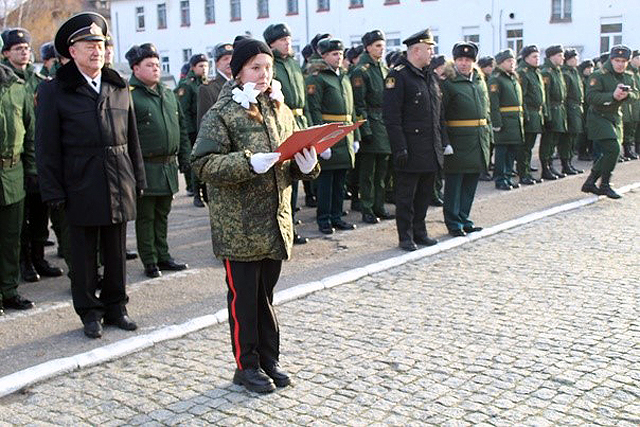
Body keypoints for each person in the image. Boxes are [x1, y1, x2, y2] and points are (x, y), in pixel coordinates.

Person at [191, 37, 320, 393]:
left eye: (268, 67)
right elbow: (201, 164)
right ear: (239, 72)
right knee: (244, 300)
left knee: (266, 295)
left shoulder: (279, 108)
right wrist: (247, 163)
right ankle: (246, 365)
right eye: (255, 68)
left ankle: (269, 359)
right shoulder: (223, 112)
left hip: (274, 221)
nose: (264, 75)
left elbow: (289, 158)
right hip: (240, 226)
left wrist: (305, 167)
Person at [36, 12, 146, 338]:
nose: (96, 51)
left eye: (100, 44)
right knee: (83, 255)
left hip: (118, 178)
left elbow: (132, 139)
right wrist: (53, 190)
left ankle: (116, 307)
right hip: (79, 181)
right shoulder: (56, 91)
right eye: (88, 45)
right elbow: (46, 147)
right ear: (72, 52)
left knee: (116, 251)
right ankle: (89, 312)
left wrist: (138, 178)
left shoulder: (117, 85)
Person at [2, 28, 63, 283]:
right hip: (16, 161)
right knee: (19, 219)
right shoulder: (7, 80)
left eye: (27, 48)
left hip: (38, 157)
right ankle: (24, 262)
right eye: (18, 48)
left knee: (40, 214)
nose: (24, 52)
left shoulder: (38, 81)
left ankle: (39, 258)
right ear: (6, 53)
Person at [126, 43, 190, 279]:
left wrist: (185, 157)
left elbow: (181, 127)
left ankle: (163, 255)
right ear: (135, 69)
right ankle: (150, 260)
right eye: (149, 65)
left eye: (157, 64)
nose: (156, 69)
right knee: (146, 216)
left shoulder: (167, 93)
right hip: (145, 166)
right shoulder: (129, 95)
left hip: (168, 166)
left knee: (163, 214)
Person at [383, 29, 445, 251]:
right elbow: (392, 117)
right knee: (406, 197)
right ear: (416, 50)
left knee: (424, 195)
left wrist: (442, 143)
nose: (432, 53)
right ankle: (405, 236)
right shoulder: (398, 76)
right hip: (409, 148)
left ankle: (420, 232)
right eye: (429, 49)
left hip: (429, 147)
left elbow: (438, 115)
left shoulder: (430, 76)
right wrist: (399, 148)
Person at [264, 23, 311, 244]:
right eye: (283, 40)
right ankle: (283, 228)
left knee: (298, 174)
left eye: (289, 39)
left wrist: (309, 125)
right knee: (283, 179)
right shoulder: (271, 64)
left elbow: (305, 99)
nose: (287, 43)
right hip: (281, 121)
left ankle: (290, 225)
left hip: (298, 121)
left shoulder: (293, 63)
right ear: (272, 44)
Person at [306, 37, 359, 234]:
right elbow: (314, 110)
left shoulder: (344, 77)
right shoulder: (317, 78)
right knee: (326, 181)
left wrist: (356, 135)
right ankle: (324, 219)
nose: (339, 58)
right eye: (334, 54)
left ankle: (337, 216)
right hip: (329, 133)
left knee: (340, 181)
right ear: (324, 56)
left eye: (340, 54)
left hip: (345, 134)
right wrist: (321, 140)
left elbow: (351, 110)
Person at [0, 34, 37, 315]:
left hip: (13, 171)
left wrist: (32, 171)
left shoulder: (17, 87)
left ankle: (9, 290)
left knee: (12, 237)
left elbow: (30, 133)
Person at [441, 41, 490, 237]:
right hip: (458, 140)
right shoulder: (448, 83)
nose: (464, 63)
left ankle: (464, 218)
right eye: (460, 59)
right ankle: (453, 222)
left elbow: (487, 110)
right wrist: (445, 142)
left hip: (478, 139)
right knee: (454, 184)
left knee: (470, 182)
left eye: (468, 60)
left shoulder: (479, 81)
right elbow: (440, 115)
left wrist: (488, 135)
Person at [582, 45, 638, 199]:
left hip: (615, 117)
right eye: (617, 60)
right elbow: (590, 98)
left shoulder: (628, 76)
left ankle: (592, 182)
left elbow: (635, 95)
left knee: (611, 151)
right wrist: (612, 96)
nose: (620, 64)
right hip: (598, 116)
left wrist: (626, 95)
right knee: (613, 149)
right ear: (611, 60)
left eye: (624, 61)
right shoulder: (599, 75)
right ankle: (604, 184)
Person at [351, 30, 394, 224]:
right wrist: (365, 129)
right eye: (377, 45)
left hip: (384, 123)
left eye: (383, 45)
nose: (381, 49)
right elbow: (359, 104)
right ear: (368, 48)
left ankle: (379, 205)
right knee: (368, 172)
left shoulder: (383, 69)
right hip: (371, 122)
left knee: (382, 170)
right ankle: (367, 207)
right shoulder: (362, 71)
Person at [489, 48, 525, 191]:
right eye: (508, 61)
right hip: (504, 121)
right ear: (500, 63)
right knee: (502, 152)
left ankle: (508, 177)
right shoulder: (496, 79)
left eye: (513, 60)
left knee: (511, 152)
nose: (512, 63)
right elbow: (494, 103)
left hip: (514, 121)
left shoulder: (512, 78)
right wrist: (497, 123)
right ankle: (500, 178)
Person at [176, 53, 209, 206]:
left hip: (206, 128)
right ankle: (196, 193)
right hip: (194, 131)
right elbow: (184, 111)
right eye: (201, 66)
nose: (204, 69)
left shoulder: (207, 83)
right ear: (193, 67)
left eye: (206, 65)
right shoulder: (187, 85)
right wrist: (191, 133)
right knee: (195, 161)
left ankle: (206, 191)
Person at [517, 45, 545, 185]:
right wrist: (526, 115)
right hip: (529, 114)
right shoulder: (523, 72)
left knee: (529, 146)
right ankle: (524, 173)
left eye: (538, 56)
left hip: (536, 113)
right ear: (526, 58)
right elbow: (522, 96)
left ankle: (526, 169)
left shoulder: (535, 72)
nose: (537, 59)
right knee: (525, 147)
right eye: (534, 57)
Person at [540, 45, 568, 180]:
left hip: (559, 110)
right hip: (551, 109)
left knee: (554, 140)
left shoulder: (557, 71)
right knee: (548, 141)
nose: (562, 58)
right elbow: (545, 95)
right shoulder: (547, 72)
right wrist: (547, 115)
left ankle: (550, 166)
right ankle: (545, 167)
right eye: (559, 55)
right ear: (552, 56)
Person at [561, 48, 585, 174]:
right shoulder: (566, 74)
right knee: (568, 138)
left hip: (576, 108)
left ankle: (569, 163)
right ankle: (565, 164)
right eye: (574, 58)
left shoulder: (574, 72)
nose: (577, 60)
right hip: (570, 108)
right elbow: (565, 95)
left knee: (573, 137)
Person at [197, 43, 233, 129]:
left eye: (232, 58)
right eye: (225, 59)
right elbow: (205, 124)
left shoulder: (241, 85)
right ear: (217, 63)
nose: (229, 62)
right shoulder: (208, 89)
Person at [622, 50, 640, 160]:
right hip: (629, 104)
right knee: (627, 127)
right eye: (637, 58)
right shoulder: (627, 72)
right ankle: (627, 150)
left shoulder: (637, 73)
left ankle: (635, 148)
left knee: (634, 127)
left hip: (636, 103)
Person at [577, 59, 595, 161]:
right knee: (583, 133)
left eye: (591, 68)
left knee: (590, 131)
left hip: (590, 109)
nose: (590, 70)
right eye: (588, 68)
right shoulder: (581, 79)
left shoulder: (591, 79)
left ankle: (590, 151)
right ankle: (582, 152)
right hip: (583, 108)